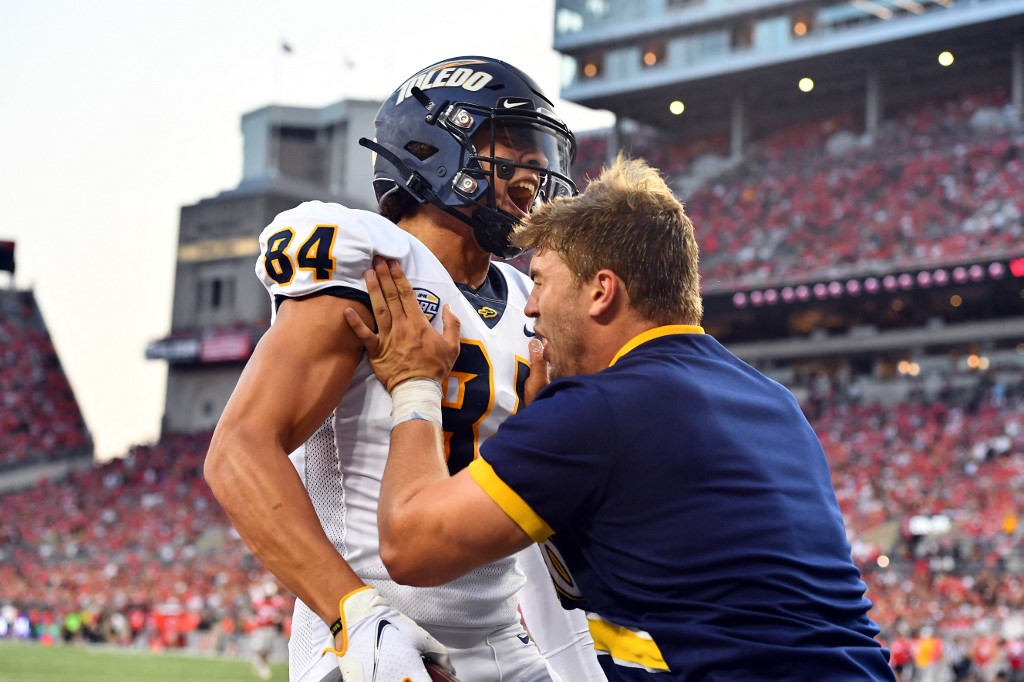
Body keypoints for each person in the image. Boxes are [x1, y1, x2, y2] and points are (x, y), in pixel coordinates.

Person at [345, 155, 899, 680]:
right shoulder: (773, 401)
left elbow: (410, 548)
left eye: (540, 279)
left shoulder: (599, 410)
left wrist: (414, 384)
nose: (530, 306)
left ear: (601, 292)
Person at [204, 55, 605, 682]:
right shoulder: (372, 257)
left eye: (542, 156)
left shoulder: (530, 297)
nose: (537, 174)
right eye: (517, 151)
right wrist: (354, 616)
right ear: (436, 145)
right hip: (376, 630)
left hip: (501, 637)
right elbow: (237, 449)